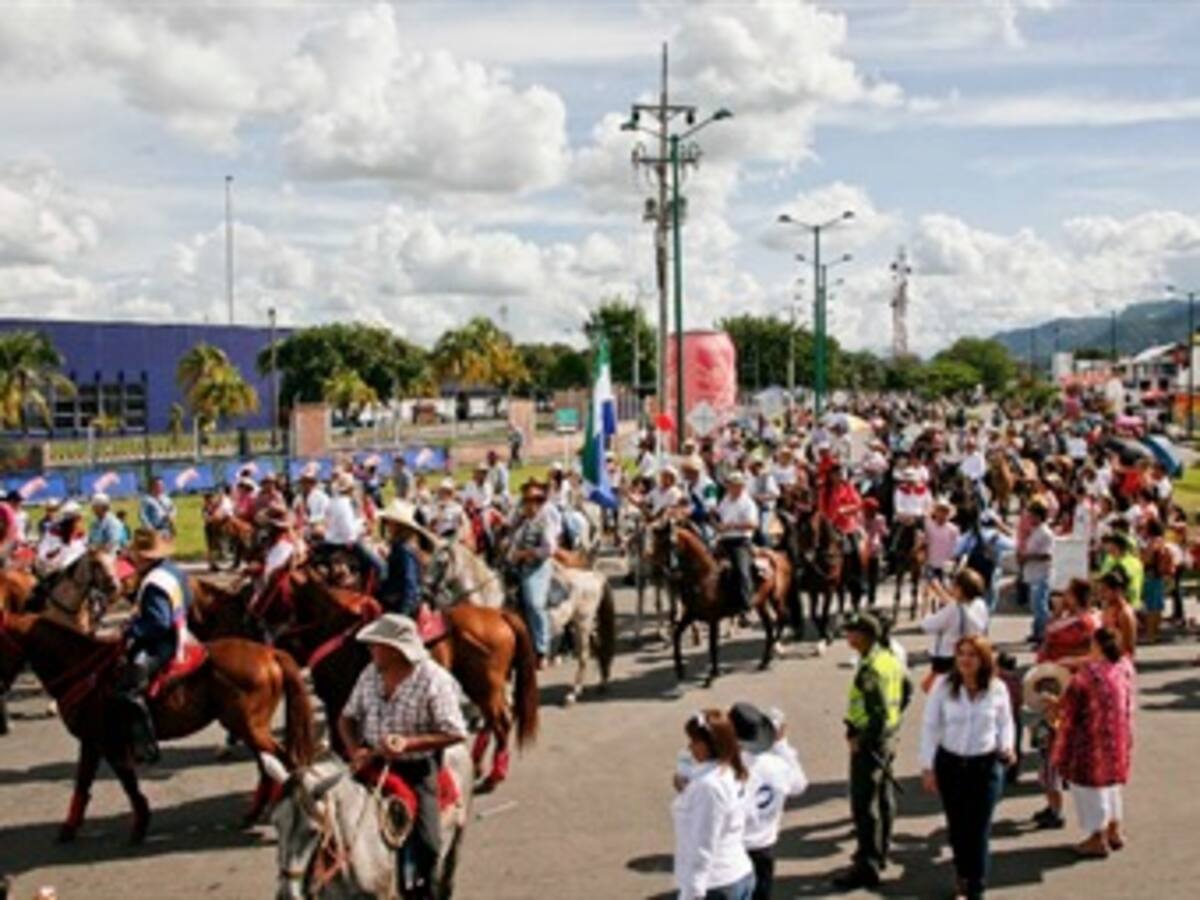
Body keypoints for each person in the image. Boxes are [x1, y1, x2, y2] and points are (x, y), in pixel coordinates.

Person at [338, 614, 468, 898]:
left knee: (429, 843)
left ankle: (426, 889)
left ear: (396, 649)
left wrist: (408, 744)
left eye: (376, 645)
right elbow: (347, 718)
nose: (370, 649)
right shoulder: (370, 673)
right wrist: (354, 750)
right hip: (370, 763)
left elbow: (456, 732)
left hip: (417, 768)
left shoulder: (434, 680)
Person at [920, 635, 1016, 900]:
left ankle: (976, 888)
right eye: (961, 653)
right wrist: (927, 767)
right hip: (951, 765)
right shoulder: (943, 686)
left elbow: (1006, 723)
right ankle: (963, 877)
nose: (965, 659)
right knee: (958, 828)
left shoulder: (997, 688)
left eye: (972, 654)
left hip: (985, 767)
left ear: (983, 659)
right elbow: (930, 727)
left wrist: (1007, 746)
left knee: (978, 830)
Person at [833, 612, 912, 891]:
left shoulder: (870, 668)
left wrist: (862, 740)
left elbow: (876, 713)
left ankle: (867, 865)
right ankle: (881, 850)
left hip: (871, 742)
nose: (847, 636)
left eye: (851, 631)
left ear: (864, 636)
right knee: (884, 798)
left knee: (864, 805)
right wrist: (896, 720)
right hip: (888, 738)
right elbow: (907, 689)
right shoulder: (888, 658)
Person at [1051, 628, 1134, 858]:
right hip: (1118, 735)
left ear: (1096, 646)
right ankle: (1114, 830)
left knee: (1090, 788)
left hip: (1091, 739)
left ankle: (1097, 838)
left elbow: (1068, 708)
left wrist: (1052, 705)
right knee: (1112, 784)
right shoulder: (1124, 666)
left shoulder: (1087, 676)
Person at [119, 528, 194, 763]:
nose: (132, 560)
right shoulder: (173, 571)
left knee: (129, 690)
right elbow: (188, 599)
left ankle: (145, 744)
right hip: (183, 629)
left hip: (164, 641)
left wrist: (131, 630)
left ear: (145, 557)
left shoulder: (154, 582)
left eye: (135, 556)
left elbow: (159, 623)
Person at [672, 709, 755, 900]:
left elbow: (702, 845)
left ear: (710, 745)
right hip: (737, 872)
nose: (690, 747)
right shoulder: (732, 771)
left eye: (695, 741)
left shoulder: (708, 787)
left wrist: (692, 894)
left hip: (716, 884)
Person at [730, 703, 808, 900]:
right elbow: (799, 785)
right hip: (764, 847)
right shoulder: (777, 765)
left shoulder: (729, 771)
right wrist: (782, 745)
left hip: (735, 850)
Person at [508, 481, 558, 668]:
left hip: (536, 568)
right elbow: (512, 542)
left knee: (534, 603)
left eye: (535, 500)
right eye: (527, 500)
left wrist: (526, 554)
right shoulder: (520, 521)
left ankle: (541, 649)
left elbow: (550, 548)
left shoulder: (546, 522)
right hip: (515, 566)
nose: (530, 504)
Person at [922, 568, 990, 687]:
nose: (951, 588)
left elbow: (927, 625)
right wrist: (938, 588)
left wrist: (926, 602)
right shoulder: (980, 605)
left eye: (954, 585)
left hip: (947, 657)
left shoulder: (953, 609)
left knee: (930, 688)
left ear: (960, 589)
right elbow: (956, 606)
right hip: (971, 653)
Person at [377, 500, 436, 617]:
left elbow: (410, 583)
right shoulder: (401, 545)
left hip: (401, 603)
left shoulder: (404, 548)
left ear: (398, 525)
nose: (387, 524)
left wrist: (404, 613)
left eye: (389, 522)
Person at [715, 472, 758, 614]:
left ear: (741, 486)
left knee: (741, 571)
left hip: (740, 541)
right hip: (723, 539)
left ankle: (746, 605)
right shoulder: (725, 500)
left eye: (734, 485)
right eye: (730, 485)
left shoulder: (748, 503)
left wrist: (731, 526)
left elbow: (753, 524)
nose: (731, 488)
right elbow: (719, 516)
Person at [1018, 500, 1054, 644]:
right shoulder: (1034, 531)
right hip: (1032, 573)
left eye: (1032, 516)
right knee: (1035, 606)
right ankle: (1036, 632)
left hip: (1041, 575)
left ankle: (1044, 635)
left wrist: (1028, 557)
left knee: (1040, 607)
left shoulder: (1045, 533)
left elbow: (1048, 555)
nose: (1029, 519)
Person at [1140, 519, 1173, 644]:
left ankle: (1150, 635)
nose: (1142, 530)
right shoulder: (1162, 540)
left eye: (1144, 527)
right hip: (1159, 576)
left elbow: (1147, 560)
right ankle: (1155, 633)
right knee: (1157, 606)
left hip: (1151, 576)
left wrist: (1141, 556)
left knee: (1151, 607)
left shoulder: (1153, 542)